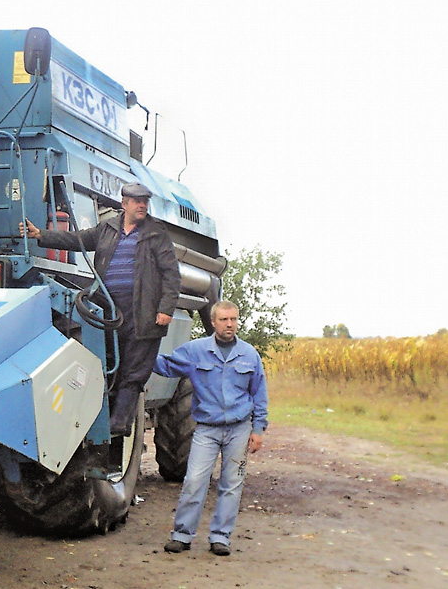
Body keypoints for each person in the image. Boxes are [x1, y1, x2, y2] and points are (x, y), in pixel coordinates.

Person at [20, 182, 180, 436]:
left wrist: (166, 308)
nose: (142, 206)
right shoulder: (108, 228)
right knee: (107, 362)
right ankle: (97, 414)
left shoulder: (156, 233)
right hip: (110, 310)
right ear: (124, 203)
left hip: (144, 312)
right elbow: (78, 239)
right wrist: (41, 235)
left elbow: (171, 274)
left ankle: (119, 423)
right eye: (136, 201)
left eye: (145, 201)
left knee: (134, 370)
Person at [153, 300, 268, 556]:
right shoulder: (196, 351)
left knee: (231, 484)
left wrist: (258, 429)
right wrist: (139, 351)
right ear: (213, 322)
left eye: (234, 319)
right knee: (194, 480)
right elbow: (166, 365)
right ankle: (182, 535)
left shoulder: (249, 355)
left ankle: (220, 538)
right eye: (224, 320)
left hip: (239, 429)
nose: (230, 324)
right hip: (206, 429)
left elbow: (259, 393)